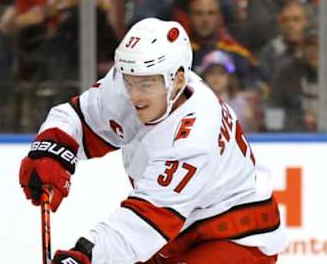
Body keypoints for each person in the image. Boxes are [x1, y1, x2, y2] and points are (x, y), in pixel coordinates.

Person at [19, 18, 287, 263]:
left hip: (237, 237)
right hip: (176, 231)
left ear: (178, 79)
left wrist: (84, 257)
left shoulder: (193, 137)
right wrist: (53, 149)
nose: (134, 95)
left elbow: (143, 224)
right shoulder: (141, 81)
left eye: (145, 84)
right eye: (129, 81)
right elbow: (79, 117)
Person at [198, 50, 261, 132]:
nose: (216, 77)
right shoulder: (195, 103)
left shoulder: (242, 104)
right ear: (203, 76)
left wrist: (250, 121)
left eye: (222, 73)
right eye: (211, 72)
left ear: (230, 77)